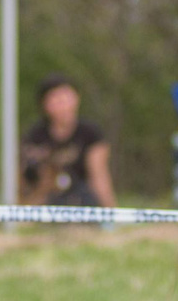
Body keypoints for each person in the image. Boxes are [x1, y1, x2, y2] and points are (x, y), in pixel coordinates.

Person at [20, 76, 115, 208]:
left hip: (81, 198)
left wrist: (110, 213)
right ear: (44, 104)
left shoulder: (90, 133)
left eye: (66, 98)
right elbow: (21, 178)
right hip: (43, 199)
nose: (62, 104)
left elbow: (99, 176)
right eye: (55, 99)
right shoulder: (35, 136)